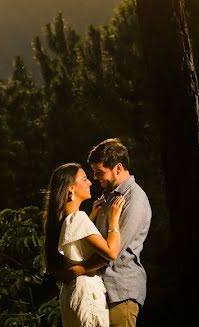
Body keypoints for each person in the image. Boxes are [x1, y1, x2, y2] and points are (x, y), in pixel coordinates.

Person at [56, 138, 152, 327]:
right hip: (101, 289)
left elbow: (112, 253)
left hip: (121, 291)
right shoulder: (107, 196)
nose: (95, 178)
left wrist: (77, 271)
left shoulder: (134, 200)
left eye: (99, 172)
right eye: (93, 172)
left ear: (118, 168)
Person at [43, 162, 125, 327]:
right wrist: (114, 220)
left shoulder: (62, 221)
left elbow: (75, 247)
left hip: (72, 294)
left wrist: (91, 218)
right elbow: (111, 252)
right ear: (71, 188)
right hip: (87, 295)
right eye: (85, 179)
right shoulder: (78, 218)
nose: (90, 183)